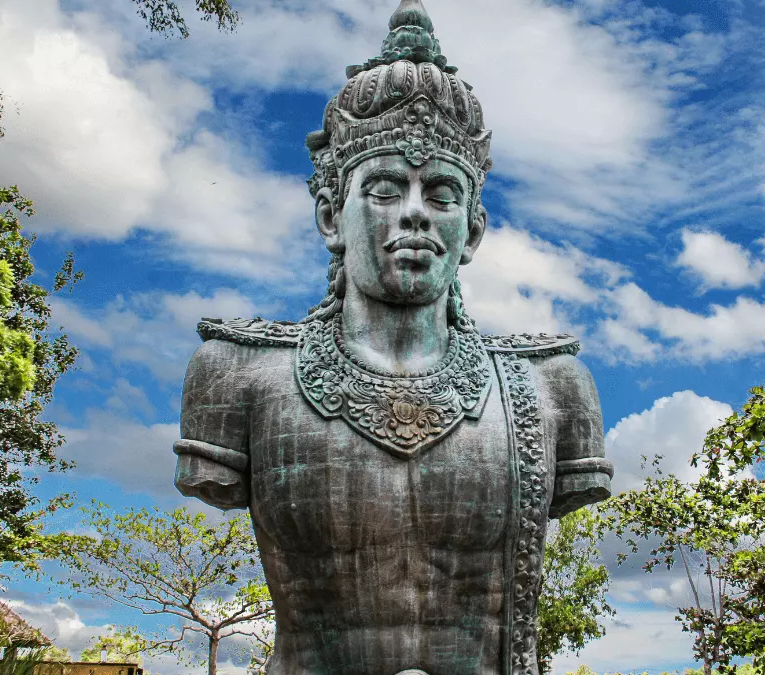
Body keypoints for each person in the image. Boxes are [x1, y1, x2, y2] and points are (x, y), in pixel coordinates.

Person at [172, 2, 613, 673]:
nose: (414, 210)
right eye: (382, 189)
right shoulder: (239, 376)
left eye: (440, 193)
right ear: (330, 216)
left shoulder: (548, 387)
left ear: (473, 230)